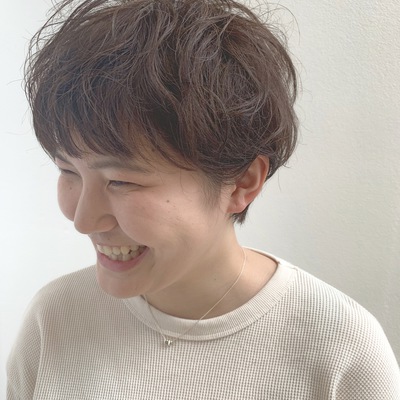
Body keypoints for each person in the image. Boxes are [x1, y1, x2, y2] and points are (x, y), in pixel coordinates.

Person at [7, 0, 400, 398]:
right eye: (68, 171)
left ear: (242, 183)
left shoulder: (341, 350)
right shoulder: (55, 317)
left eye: (122, 181)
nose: (83, 220)